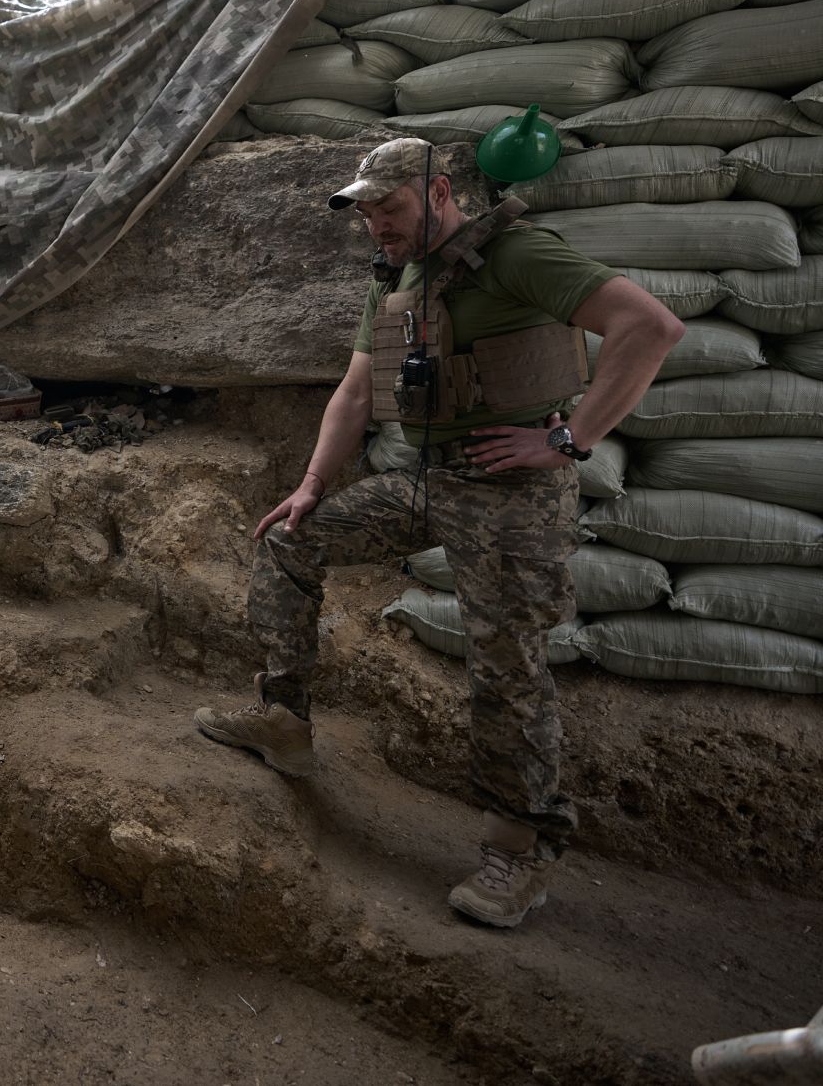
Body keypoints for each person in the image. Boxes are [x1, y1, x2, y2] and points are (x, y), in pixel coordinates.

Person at [191, 138, 683, 929]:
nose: (377, 226)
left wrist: (567, 441)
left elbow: (650, 326)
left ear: (441, 193)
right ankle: (284, 722)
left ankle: (520, 850)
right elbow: (356, 394)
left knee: (506, 663)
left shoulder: (517, 254)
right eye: (366, 214)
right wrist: (311, 486)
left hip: (513, 493)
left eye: (390, 208)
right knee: (291, 539)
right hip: (430, 478)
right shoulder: (396, 278)